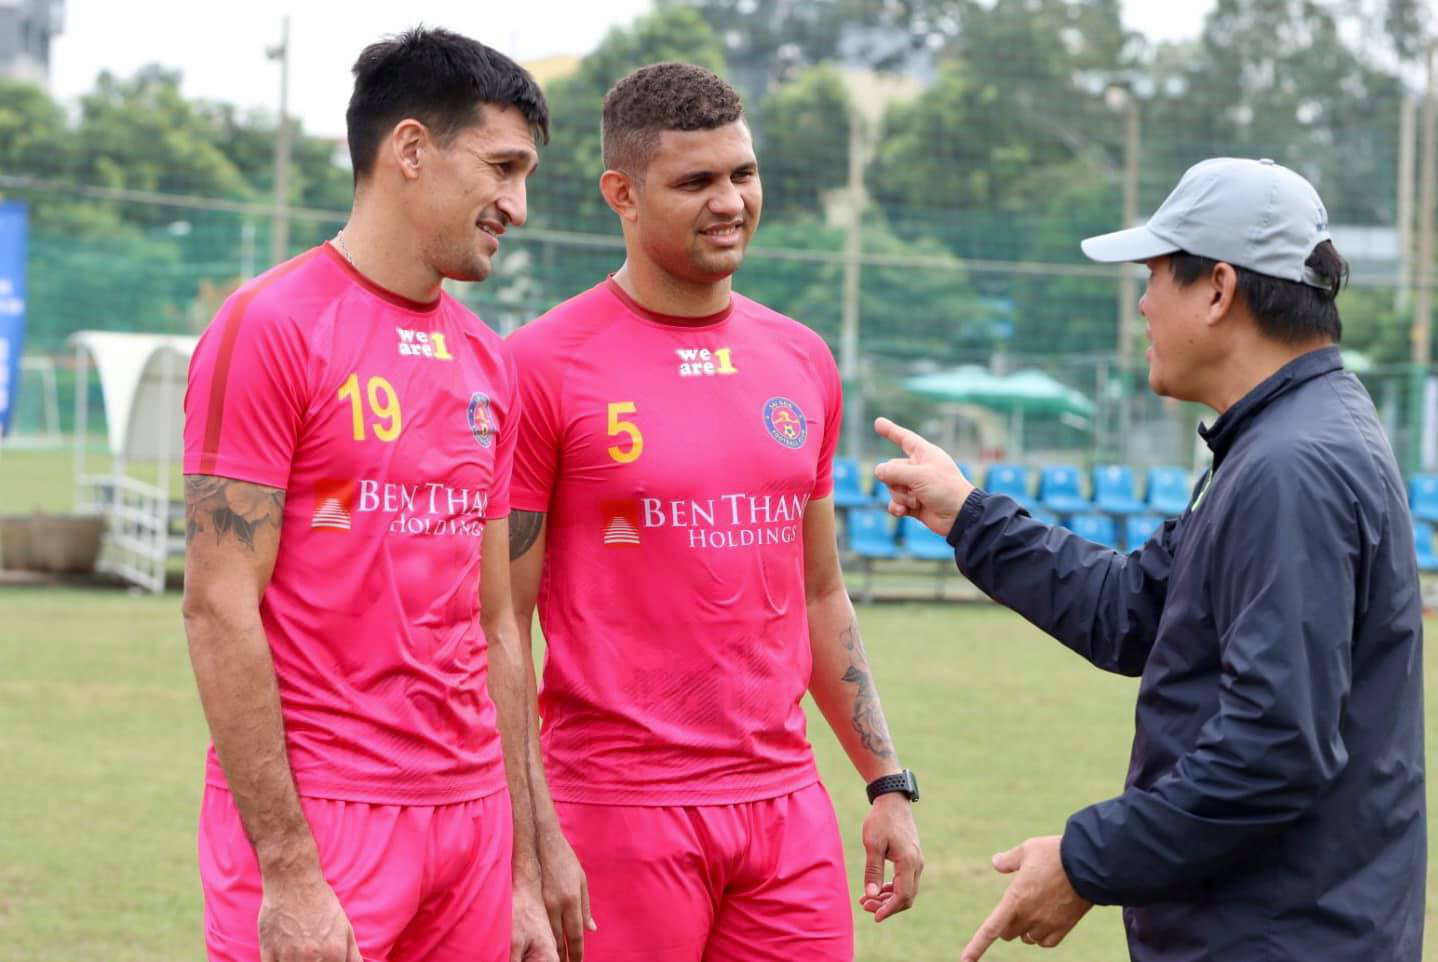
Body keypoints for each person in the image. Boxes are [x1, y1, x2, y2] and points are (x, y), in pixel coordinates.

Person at [876, 157, 1426, 962]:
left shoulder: (1292, 467)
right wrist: (969, 515)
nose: (1142, 303)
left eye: (1155, 274)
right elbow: (1133, 611)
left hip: (1280, 938)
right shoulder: (1279, 441)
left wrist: (1085, 861)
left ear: (1218, 289)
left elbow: (1272, 748)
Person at [505, 61, 923, 962]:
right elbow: (496, 624)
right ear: (621, 192)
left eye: (743, 173)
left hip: (785, 810)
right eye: (695, 181)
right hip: (615, 811)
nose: (730, 200)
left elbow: (819, 594)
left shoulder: (802, 360)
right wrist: (527, 838)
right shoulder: (540, 367)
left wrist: (886, 780)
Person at [182, 27, 557, 962]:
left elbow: (497, 625)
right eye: (502, 167)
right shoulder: (268, 327)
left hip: (470, 824)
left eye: (528, 177)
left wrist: (517, 868)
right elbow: (218, 606)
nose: (517, 204)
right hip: (328, 820)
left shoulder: (489, 362)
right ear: (412, 150)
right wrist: (292, 871)